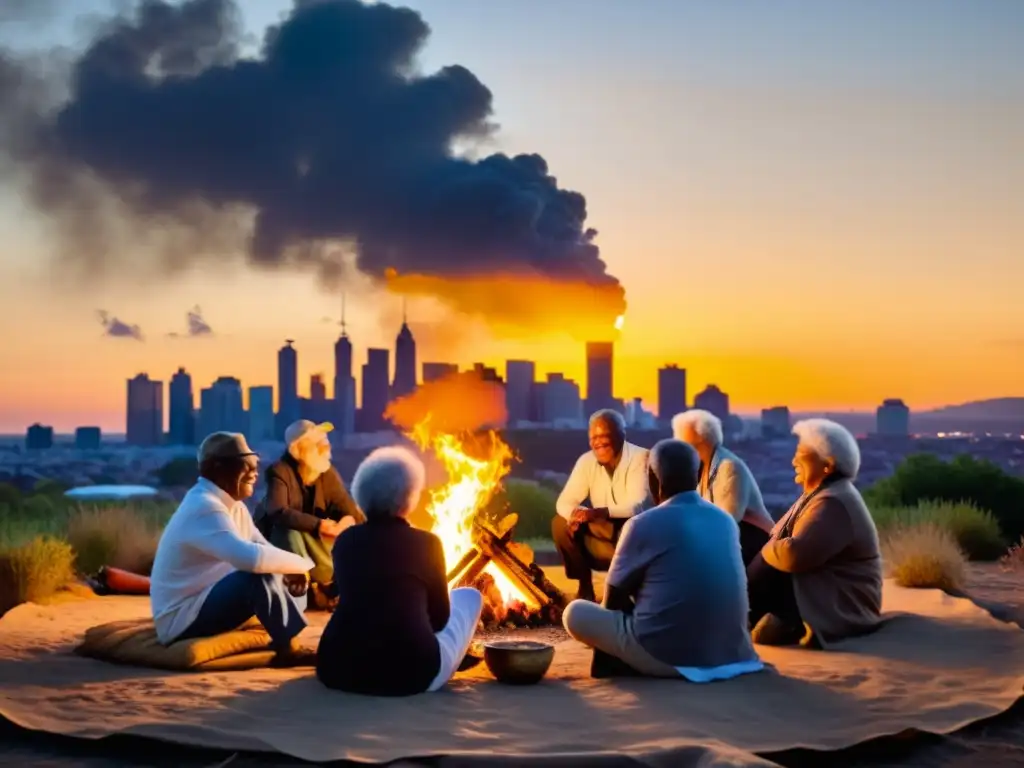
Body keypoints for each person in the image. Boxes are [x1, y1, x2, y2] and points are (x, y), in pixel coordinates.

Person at [562, 439, 763, 681]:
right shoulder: (725, 521)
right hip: (732, 656)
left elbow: (613, 598)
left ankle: (627, 663)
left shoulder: (642, 523)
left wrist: (607, 653)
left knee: (575, 613)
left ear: (652, 479)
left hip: (668, 659)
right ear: (699, 474)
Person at [316, 445, 484, 696]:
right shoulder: (428, 543)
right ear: (409, 497)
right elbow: (439, 620)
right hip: (411, 675)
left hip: (338, 669)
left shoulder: (345, 541)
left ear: (361, 494)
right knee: (470, 596)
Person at [150, 432, 315, 664]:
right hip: (182, 619)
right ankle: (288, 649)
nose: (254, 471)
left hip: (208, 600)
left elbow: (262, 548)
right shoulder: (204, 506)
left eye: (255, 463)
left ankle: (283, 632)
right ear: (217, 468)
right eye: (245, 464)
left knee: (278, 573)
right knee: (257, 576)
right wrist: (303, 564)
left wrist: (291, 570)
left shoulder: (233, 506)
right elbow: (251, 559)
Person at [748, 418, 883, 647]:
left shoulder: (834, 502)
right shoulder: (822, 495)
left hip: (837, 607)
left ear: (827, 466)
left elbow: (795, 555)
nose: (794, 461)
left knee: (766, 552)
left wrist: (768, 547)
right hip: (818, 596)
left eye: (801, 454)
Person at [254, 420, 365, 606]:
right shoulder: (279, 471)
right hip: (280, 549)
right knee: (289, 532)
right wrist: (319, 525)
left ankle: (329, 585)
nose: (326, 446)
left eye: (325, 441)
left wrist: (347, 521)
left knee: (352, 534)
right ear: (298, 449)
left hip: (316, 551)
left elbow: (351, 511)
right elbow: (278, 512)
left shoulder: (326, 474)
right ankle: (307, 587)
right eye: (318, 443)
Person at [552, 409, 651, 601]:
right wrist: (575, 515)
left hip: (636, 535)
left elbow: (638, 506)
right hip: (604, 534)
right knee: (559, 523)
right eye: (593, 437)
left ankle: (626, 591)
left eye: (604, 436)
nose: (598, 442)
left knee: (630, 526)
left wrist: (600, 513)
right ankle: (585, 586)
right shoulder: (587, 461)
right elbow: (564, 501)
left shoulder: (641, 458)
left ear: (621, 435)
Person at [672, 409, 775, 565]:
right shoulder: (702, 470)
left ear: (701, 440)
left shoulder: (729, 467)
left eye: (682, 442)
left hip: (756, 549)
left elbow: (727, 522)